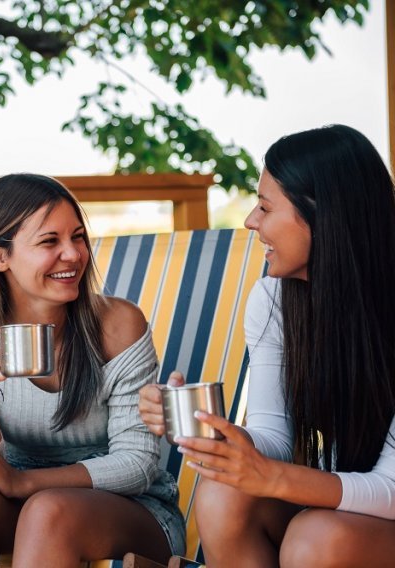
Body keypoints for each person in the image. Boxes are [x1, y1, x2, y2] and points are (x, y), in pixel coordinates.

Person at [139, 124, 395, 567]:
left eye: (264, 207)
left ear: (322, 214)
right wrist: (212, 430)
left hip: (380, 506)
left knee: (317, 538)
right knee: (222, 492)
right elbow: (274, 439)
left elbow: (391, 488)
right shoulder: (275, 300)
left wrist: (272, 477)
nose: (250, 221)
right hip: (352, 507)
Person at [0, 173, 185, 567]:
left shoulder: (117, 325)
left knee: (48, 510)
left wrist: (25, 482)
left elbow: (138, 464)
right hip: (18, 504)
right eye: (50, 241)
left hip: (127, 510)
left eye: (77, 237)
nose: (73, 254)